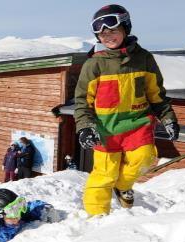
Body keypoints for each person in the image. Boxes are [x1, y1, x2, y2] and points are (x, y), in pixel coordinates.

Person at [74, 4, 178, 215]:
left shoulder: (143, 59)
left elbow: (156, 94)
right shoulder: (94, 64)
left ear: (126, 28)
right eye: (102, 33)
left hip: (137, 124)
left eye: (113, 30)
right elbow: (82, 101)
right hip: (106, 129)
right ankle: (96, 216)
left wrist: (168, 118)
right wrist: (85, 127)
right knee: (104, 174)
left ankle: (122, 186)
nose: (108, 36)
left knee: (146, 158)